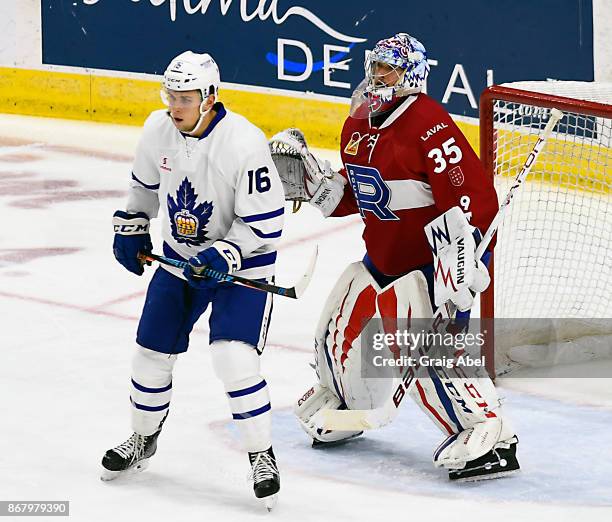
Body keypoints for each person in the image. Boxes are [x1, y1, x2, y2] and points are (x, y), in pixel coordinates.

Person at [278, 33, 519, 481]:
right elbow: (366, 194)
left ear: (410, 76)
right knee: (339, 325)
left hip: (432, 266)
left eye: (387, 68)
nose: (376, 76)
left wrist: (465, 271)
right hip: (382, 257)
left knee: (429, 352)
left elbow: (476, 204)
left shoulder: (430, 126)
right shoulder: (358, 124)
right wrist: (319, 189)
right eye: (375, 66)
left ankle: (491, 432)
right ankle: (351, 400)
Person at [103, 51, 284, 505]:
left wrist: (226, 252)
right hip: (179, 260)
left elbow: (267, 221)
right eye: (171, 96)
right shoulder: (157, 129)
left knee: (232, 358)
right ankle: (143, 438)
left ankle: (261, 454)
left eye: (185, 98)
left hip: (243, 267)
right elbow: (143, 189)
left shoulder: (242, 141)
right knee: (149, 353)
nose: (175, 106)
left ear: (209, 97)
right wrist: (132, 225)